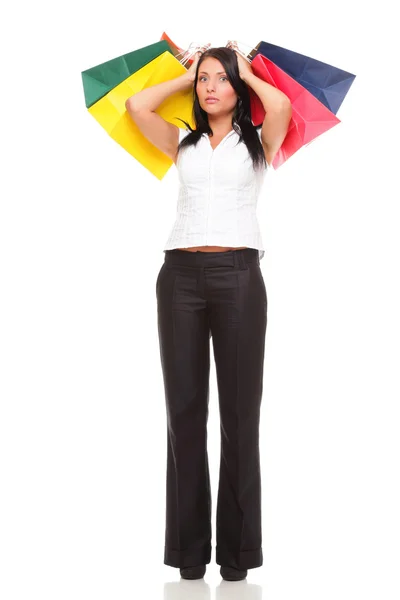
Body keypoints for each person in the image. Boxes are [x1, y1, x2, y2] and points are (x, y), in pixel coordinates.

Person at [125, 42, 292, 582]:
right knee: (184, 416)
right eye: (205, 80)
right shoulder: (184, 143)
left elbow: (283, 109)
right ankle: (190, 554)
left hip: (241, 276)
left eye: (220, 79)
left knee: (242, 419)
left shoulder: (257, 143)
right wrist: (183, 74)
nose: (210, 87)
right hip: (179, 280)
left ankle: (239, 556)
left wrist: (243, 70)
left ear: (238, 87)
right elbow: (136, 107)